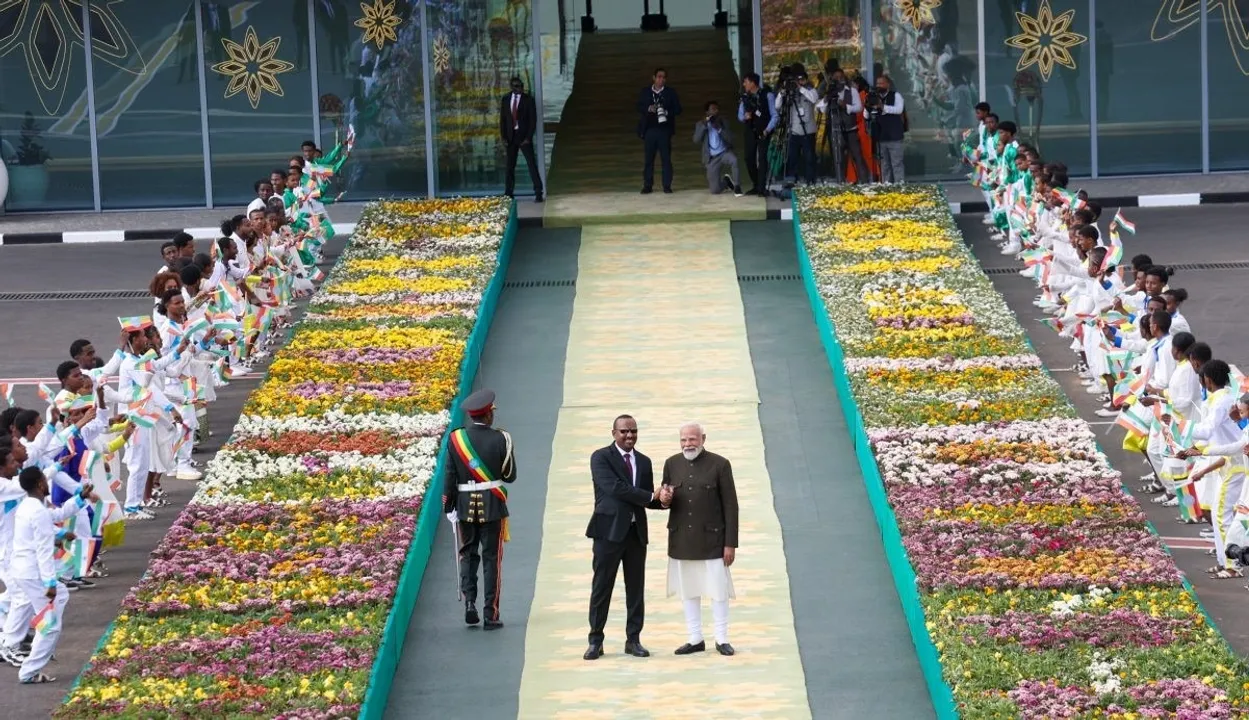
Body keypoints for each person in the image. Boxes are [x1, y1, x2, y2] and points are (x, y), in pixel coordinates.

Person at [584, 414, 667, 660]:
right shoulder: (600, 457)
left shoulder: (644, 461)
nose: (629, 435)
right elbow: (615, 489)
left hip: (635, 534)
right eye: (624, 431)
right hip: (607, 533)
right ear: (614, 433)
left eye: (633, 431)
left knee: (636, 588)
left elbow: (645, 499)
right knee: (602, 587)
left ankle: (633, 640)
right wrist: (651, 496)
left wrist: (663, 501)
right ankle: (595, 640)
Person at [0, 467, 95, 682]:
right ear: (41, 484)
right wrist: (50, 582)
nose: (47, 483)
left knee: (60, 596)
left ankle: (41, 637)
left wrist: (79, 498)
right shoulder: (35, 510)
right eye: (45, 480)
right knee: (51, 624)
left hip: (24, 570)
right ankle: (30, 671)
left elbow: (56, 516)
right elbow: (44, 549)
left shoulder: (29, 505)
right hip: (32, 572)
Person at [660, 422, 739, 656]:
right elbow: (665, 501)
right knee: (688, 590)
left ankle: (722, 638)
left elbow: (731, 506)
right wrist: (664, 499)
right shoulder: (671, 464)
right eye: (684, 440)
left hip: (713, 541)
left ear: (703, 438)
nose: (688, 444)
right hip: (682, 539)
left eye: (693, 439)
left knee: (718, 590)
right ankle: (695, 638)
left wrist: (730, 543)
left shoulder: (720, 465)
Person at [442, 389, 515, 630]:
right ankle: (490, 614)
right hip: (492, 505)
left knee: (468, 555)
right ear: (489, 415)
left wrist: (449, 505)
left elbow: (450, 476)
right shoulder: (502, 438)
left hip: (463, 506)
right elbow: (510, 476)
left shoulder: (455, 439)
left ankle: (469, 604)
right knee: (492, 559)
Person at [819, 67, 869, 184]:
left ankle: (864, 182)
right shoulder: (831, 92)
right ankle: (841, 182)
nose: (839, 79)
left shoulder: (852, 91)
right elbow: (820, 108)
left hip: (850, 130)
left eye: (841, 77)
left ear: (844, 78)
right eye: (836, 78)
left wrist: (846, 106)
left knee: (857, 156)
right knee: (839, 158)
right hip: (836, 131)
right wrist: (827, 99)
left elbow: (859, 107)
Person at [636, 68, 682, 194]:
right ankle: (647, 185)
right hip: (649, 129)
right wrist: (648, 108)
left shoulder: (670, 92)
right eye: (659, 77)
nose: (661, 79)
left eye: (663, 77)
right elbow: (638, 106)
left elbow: (678, 109)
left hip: (664, 130)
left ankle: (667, 185)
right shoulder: (646, 92)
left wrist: (666, 112)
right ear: (654, 78)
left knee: (666, 158)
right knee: (648, 159)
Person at [499, 76, 544, 203]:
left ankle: (538, 192)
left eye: (521, 86)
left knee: (531, 165)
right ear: (512, 87)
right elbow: (503, 119)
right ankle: (508, 193)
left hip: (523, 137)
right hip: (510, 136)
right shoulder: (506, 99)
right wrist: (503, 137)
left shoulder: (528, 100)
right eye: (517, 86)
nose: (520, 89)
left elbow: (532, 120)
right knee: (510, 166)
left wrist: (528, 137)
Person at [774, 65, 819, 185]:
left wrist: (801, 88)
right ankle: (791, 181)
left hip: (808, 131)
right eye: (797, 80)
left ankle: (810, 181)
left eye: (802, 79)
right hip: (793, 131)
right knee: (792, 158)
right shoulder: (790, 92)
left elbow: (814, 99)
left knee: (809, 158)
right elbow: (777, 106)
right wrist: (782, 92)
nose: (799, 82)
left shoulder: (810, 90)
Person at [737, 73, 777, 195]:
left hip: (764, 131)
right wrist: (745, 117)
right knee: (749, 158)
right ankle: (756, 184)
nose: (744, 84)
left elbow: (775, 115)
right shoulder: (745, 97)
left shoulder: (767, 95)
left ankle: (761, 187)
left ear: (753, 83)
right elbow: (739, 116)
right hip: (750, 130)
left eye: (746, 81)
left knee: (762, 158)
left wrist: (767, 129)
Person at [692, 101, 742, 196]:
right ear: (707, 112)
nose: (716, 111)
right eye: (713, 109)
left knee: (734, 160)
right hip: (711, 158)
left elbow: (731, 139)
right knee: (715, 190)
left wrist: (719, 129)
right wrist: (704, 126)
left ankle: (737, 186)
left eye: (717, 109)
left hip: (724, 153)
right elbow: (696, 140)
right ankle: (726, 182)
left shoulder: (723, 122)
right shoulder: (700, 124)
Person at [867, 74, 905, 183]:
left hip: (894, 137)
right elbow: (867, 115)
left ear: (888, 84)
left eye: (881, 83)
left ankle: (900, 187)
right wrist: (868, 106)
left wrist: (882, 107)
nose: (879, 86)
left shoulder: (895, 95)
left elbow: (899, 110)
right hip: (881, 137)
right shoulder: (874, 97)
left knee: (897, 164)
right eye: (877, 83)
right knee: (884, 165)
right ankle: (887, 187)